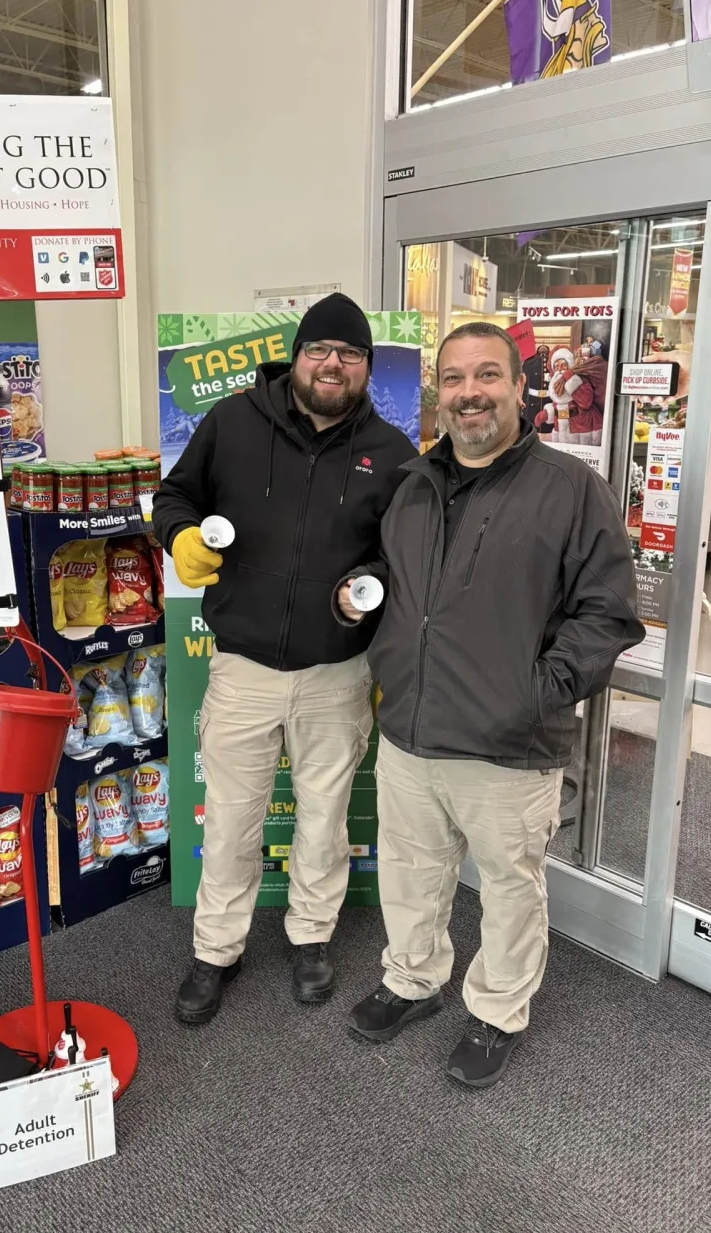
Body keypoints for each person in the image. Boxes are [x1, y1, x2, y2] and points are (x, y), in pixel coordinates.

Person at [336, 320, 644, 1087]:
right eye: (454, 379)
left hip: (508, 743)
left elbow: (607, 615)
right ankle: (412, 980)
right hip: (409, 728)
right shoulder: (413, 483)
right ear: (438, 394)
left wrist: (533, 694)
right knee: (411, 872)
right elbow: (394, 574)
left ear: (518, 387)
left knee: (509, 888)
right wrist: (357, 597)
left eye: (486, 376)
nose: (469, 393)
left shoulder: (572, 489)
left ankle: (498, 1010)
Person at [153, 293, 415, 1025]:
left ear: (366, 368)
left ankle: (311, 938)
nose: (333, 364)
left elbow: (405, 558)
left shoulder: (393, 454)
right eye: (320, 350)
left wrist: (375, 588)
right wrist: (178, 538)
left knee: (325, 820)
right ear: (296, 358)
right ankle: (215, 951)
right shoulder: (233, 423)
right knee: (231, 822)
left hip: (339, 673)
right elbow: (172, 496)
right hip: (242, 669)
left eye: (350, 354)